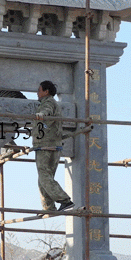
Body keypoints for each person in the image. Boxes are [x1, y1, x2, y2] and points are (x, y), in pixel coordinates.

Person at [34, 80, 74, 213]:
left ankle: (64, 200)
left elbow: (47, 110)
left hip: (46, 145)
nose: (37, 93)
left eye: (39, 90)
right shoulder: (50, 103)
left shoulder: (48, 102)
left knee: (44, 177)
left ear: (46, 91)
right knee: (44, 178)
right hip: (51, 145)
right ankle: (49, 207)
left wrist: (41, 114)